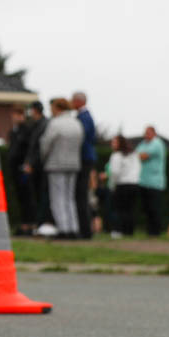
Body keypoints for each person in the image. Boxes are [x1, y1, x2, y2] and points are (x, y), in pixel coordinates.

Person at [37, 97, 83, 237]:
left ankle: (63, 229)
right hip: (73, 165)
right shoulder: (76, 123)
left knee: (57, 198)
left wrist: (43, 159)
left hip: (56, 164)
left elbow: (46, 143)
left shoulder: (55, 123)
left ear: (57, 108)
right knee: (69, 198)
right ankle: (73, 228)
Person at [10, 102, 47, 236]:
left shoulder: (27, 130)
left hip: (25, 169)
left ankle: (31, 224)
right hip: (17, 169)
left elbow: (30, 148)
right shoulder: (14, 131)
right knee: (22, 197)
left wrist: (28, 164)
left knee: (29, 197)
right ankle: (25, 223)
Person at [71, 91, 98, 240]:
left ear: (78, 101)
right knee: (81, 194)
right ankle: (84, 229)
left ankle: (85, 230)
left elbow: (81, 136)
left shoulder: (84, 117)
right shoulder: (84, 116)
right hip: (85, 158)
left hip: (84, 159)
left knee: (81, 194)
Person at [134, 125, 167, 236]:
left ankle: (156, 231)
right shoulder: (143, 144)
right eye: (145, 133)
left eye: (148, 133)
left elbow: (142, 156)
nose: (146, 135)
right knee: (147, 209)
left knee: (154, 208)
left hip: (155, 183)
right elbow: (136, 155)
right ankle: (149, 231)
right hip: (143, 181)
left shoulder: (157, 143)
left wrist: (138, 155)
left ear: (154, 133)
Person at [109, 136, 143, 239]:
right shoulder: (134, 154)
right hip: (134, 184)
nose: (112, 144)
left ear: (120, 143)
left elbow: (114, 172)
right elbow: (139, 168)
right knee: (130, 209)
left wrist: (112, 185)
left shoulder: (116, 156)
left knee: (119, 209)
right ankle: (129, 231)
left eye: (114, 142)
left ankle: (118, 230)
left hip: (122, 184)